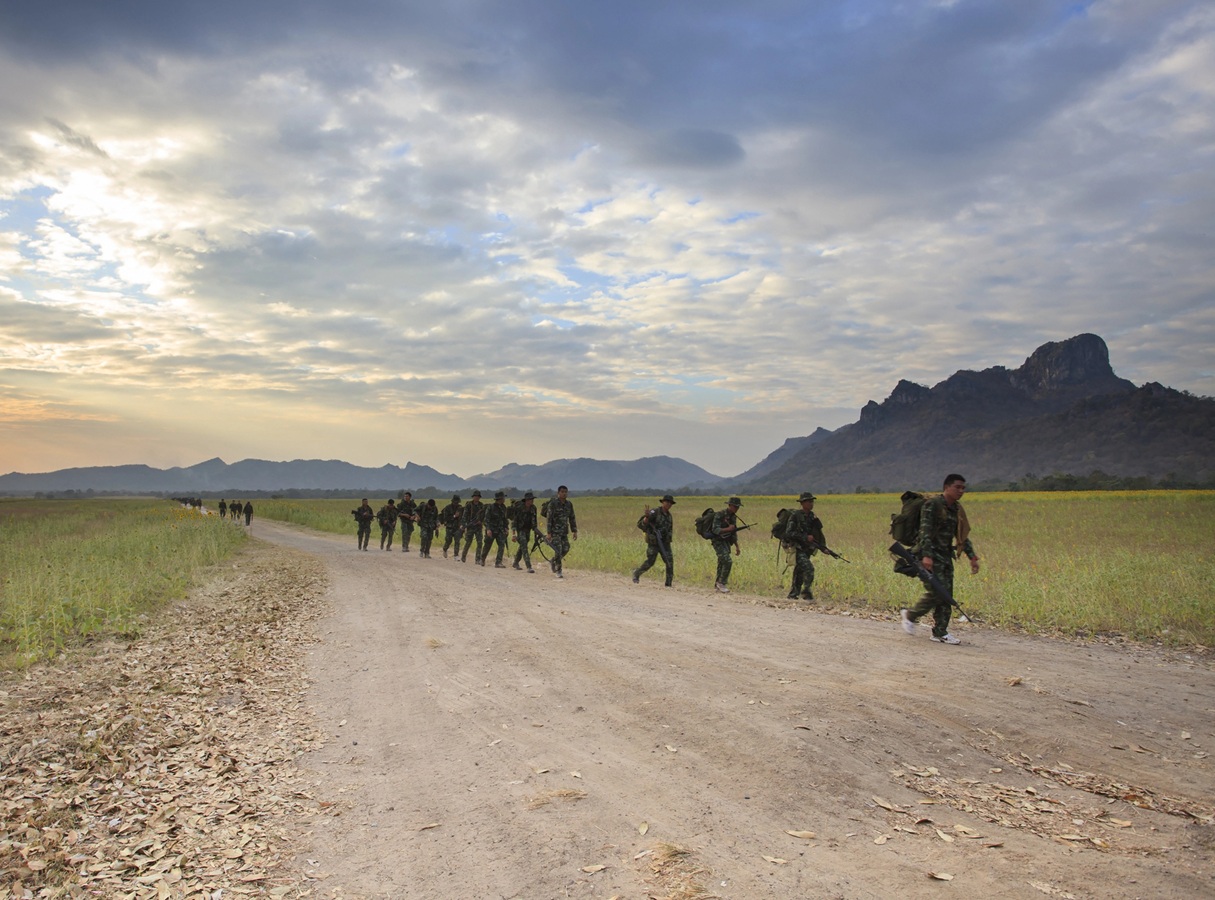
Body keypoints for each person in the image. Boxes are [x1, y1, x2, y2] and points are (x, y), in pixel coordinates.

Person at [901, 474, 980, 645]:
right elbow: (925, 532)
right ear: (947, 487)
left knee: (946, 594)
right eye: (957, 487)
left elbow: (961, 536)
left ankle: (940, 632)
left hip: (945, 556)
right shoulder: (933, 505)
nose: (961, 491)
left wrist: (972, 557)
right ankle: (911, 615)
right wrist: (927, 556)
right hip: (929, 555)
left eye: (963, 488)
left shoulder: (956, 509)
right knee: (938, 592)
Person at [782, 491, 825, 602]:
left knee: (799, 571)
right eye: (809, 501)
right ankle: (806, 592)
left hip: (807, 549)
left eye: (812, 501)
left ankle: (793, 594)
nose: (811, 503)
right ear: (803, 503)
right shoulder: (795, 516)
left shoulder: (812, 516)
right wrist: (805, 537)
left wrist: (824, 547)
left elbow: (819, 533)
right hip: (797, 548)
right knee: (809, 568)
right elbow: (789, 533)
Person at [632, 495, 675, 587]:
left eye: (670, 503)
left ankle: (668, 584)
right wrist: (647, 518)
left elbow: (670, 529)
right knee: (650, 561)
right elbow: (641, 525)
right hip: (654, 543)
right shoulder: (654, 512)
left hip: (665, 543)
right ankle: (637, 573)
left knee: (669, 562)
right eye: (667, 502)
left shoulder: (669, 516)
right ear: (662, 502)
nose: (669, 504)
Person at [710, 497, 743, 593]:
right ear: (729, 505)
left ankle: (717, 584)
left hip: (726, 542)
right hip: (718, 541)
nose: (736, 508)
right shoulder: (720, 515)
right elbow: (715, 530)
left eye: (738, 507)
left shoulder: (733, 517)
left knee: (721, 562)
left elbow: (734, 533)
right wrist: (728, 529)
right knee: (727, 561)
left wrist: (737, 546)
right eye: (735, 506)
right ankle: (722, 583)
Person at [545, 485, 578, 579]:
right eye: (562, 492)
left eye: (565, 492)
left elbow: (572, 518)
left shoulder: (569, 504)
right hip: (554, 532)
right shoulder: (553, 504)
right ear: (558, 493)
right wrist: (548, 533)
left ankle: (553, 560)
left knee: (566, 548)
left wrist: (574, 531)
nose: (564, 494)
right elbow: (549, 519)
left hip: (564, 531)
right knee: (558, 550)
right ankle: (558, 570)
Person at [511, 492, 540, 573]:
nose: (532, 501)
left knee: (522, 546)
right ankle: (529, 566)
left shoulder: (533, 508)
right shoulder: (519, 508)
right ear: (526, 500)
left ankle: (515, 562)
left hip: (528, 530)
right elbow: (514, 522)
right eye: (531, 499)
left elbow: (534, 521)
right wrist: (513, 534)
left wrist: (536, 530)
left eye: (532, 499)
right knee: (524, 546)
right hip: (520, 530)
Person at [483, 491, 511, 567]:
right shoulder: (491, 507)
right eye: (503, 498)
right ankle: (482, 559)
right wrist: (488, 529)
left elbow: (505, 519)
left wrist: (506, 528)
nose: (504, 499)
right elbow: (486, 519)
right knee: (487, 545)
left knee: (502, 545)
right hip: (491, 530)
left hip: (500, 530)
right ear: (499, 499)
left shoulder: (503, 507)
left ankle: (498, 562)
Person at [460, 490, 486, 563]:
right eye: (475, 496)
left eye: (478, 496)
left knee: (480, 542)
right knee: (468, 542)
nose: (477, 498)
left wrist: (481, 521)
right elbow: (464, 516)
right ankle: (463, 556)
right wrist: (464, 524)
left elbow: (484, 516)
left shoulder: (481, 505)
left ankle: (477, 559)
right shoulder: (469, 505)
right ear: (473, 497)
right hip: (470, 526)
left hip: (478, 527)